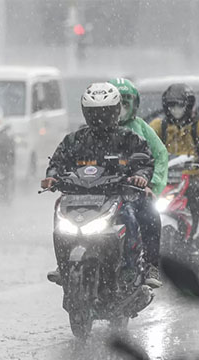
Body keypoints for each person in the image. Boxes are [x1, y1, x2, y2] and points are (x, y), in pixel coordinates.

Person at [41, 82, 160, 287]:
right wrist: (52, 177)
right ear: (86, 113)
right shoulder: (74, 140)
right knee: (59, 210)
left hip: (120, 196)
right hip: (79, 197)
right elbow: (57, 162)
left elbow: (145, 161)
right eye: (94, 113)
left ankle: (142, 266)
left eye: (105, 112)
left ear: (116, 111)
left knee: (146, 213)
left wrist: (140, 176)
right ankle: (63, 264)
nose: (100, 118)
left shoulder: (130, 138)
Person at [108, 77, 168, 286]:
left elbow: (159, 156)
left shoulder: (140, 130)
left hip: (130, 192)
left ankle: (149, 265)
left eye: (126, 102)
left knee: (149, 216)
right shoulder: (92, 132)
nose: (122, 108)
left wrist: (151, 184)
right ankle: (66, 263)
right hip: (99, 191)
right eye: (118, 103)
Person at [149, 83, 199, 235]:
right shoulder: (159, 125)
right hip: (162, 176)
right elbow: (145, 140)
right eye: (172, 105)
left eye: (180, 105)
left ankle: (195, 233)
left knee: (194, 193)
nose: (175, 109)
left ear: (188, 106)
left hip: (190, 175)